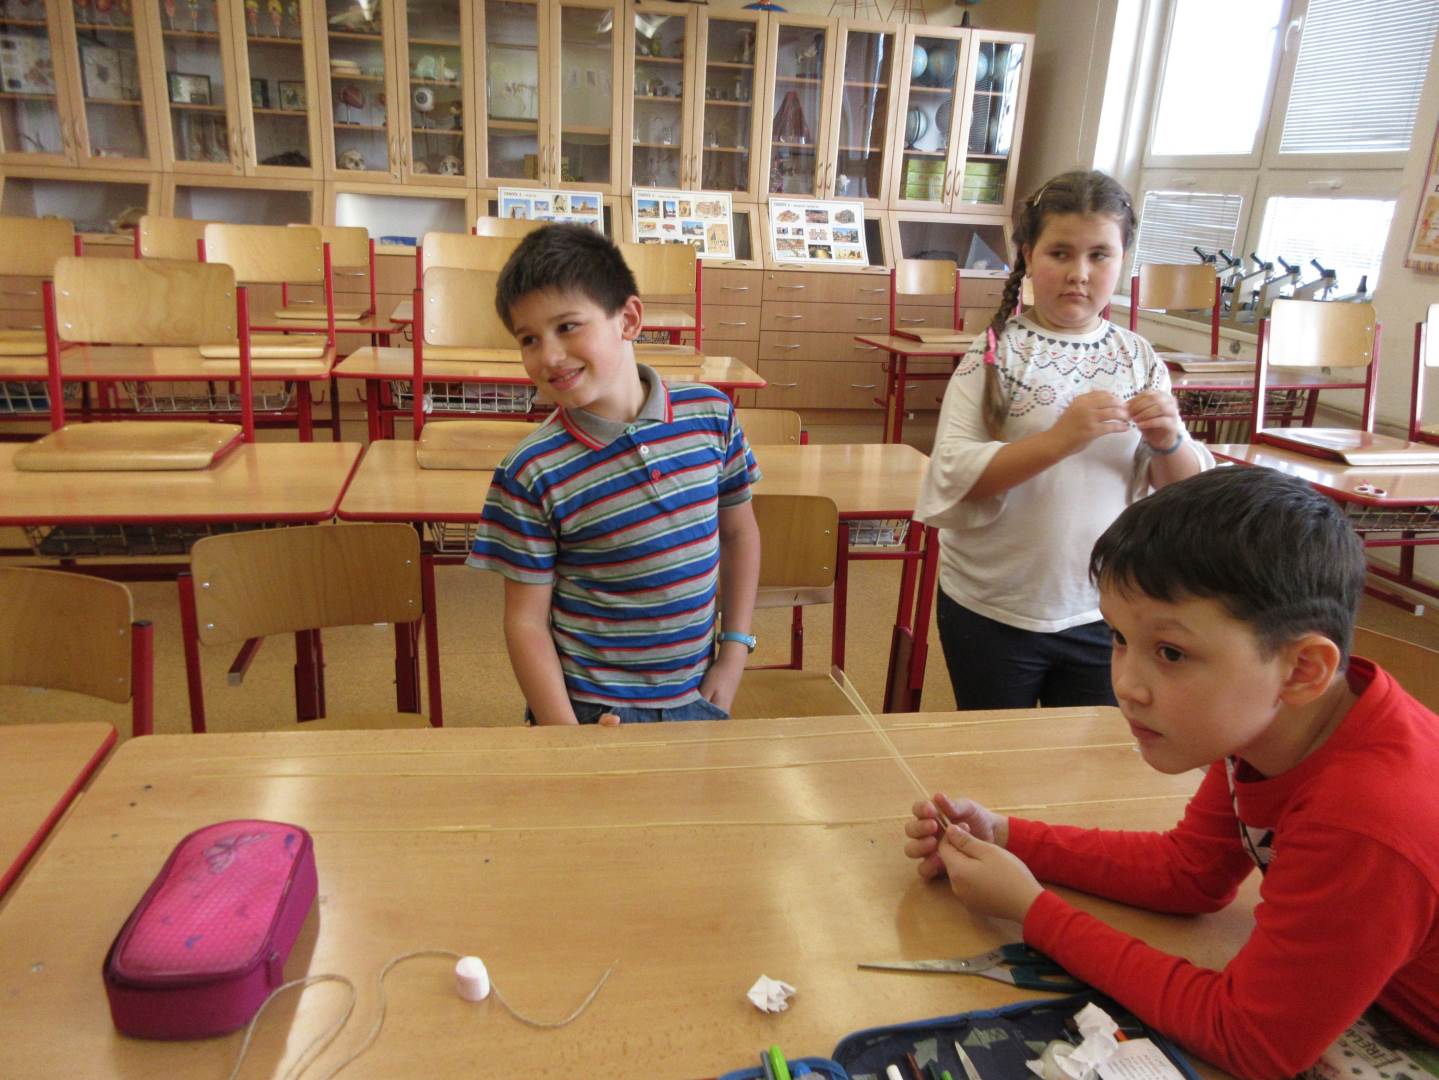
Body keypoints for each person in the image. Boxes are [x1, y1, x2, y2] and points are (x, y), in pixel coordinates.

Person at [903, 467, 1439, 1078]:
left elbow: (1249, 1039)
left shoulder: (1365, 818)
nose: (1126, 685)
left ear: (1302, 669)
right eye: (1118, 637)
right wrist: (1006, 835)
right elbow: (1191, 873)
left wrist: (1033, 912)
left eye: (1171, 653)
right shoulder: (1269, 725)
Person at [915, 169, 1212, 710]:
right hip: (994, 607)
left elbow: (1183, 494)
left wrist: (1170, 441)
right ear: (1029, 256)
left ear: (1122, 261)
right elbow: (955, 475)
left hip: (1105, 608)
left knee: (1082, 750)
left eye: (1099, 255)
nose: (1079, 274)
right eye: (1060, 253)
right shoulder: (996, 352)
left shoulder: (1138, 357)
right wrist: (1060, 440)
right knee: (997, 745)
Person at [467, 224, 762, 725]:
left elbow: (739, 535)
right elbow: (525, 622)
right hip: (592, 712)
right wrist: (567, 737)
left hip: (698, 692)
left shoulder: (711, 414)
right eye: (529, 339)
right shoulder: (531, 470)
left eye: (567, 326)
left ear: (628, 319)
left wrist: (734, 651)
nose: (549, 355)